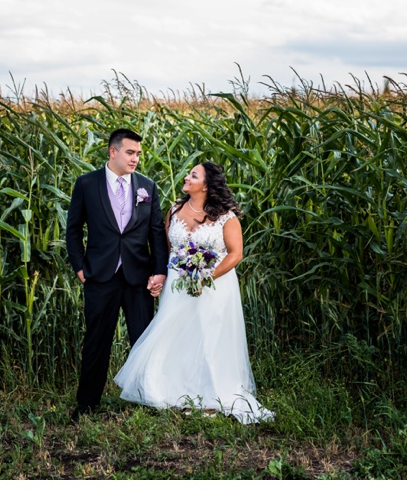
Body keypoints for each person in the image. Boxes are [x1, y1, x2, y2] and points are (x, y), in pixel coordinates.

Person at [114, 161, 274, 424]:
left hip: (214, 285)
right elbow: (167, 250)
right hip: (179, 285)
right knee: (177, 336)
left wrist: (206, 276)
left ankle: (211, 398)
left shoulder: (226, 217)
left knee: (210, 338)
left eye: (193, 175)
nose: (187, 177)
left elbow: (236, 254)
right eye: (189, 173)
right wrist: (160, 277)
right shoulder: (175, 210)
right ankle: (175, 392)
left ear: (207, 185)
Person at [66, 128, 169, 421]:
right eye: (130, 152)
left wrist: (159, 271)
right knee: (97, 340)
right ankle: (86, 404)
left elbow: (156, 234)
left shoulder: (147, 186)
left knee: (143, 340)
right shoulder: (87, 184)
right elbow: (73, 229)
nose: (135, 158)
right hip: (100, 276)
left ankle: (148, 399)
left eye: (138, 154)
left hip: (138, 277)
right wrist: (80, 268)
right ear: (113, 152)